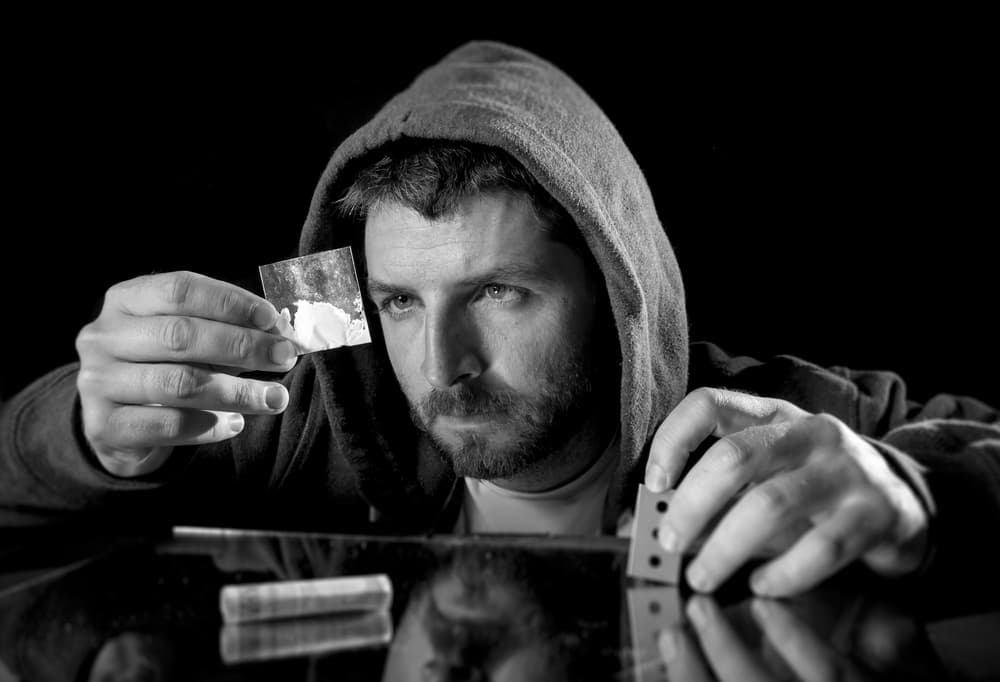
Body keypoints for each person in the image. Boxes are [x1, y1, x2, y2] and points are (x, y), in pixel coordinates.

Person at [1, 41, 997, 602]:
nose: (442, 366)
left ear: (616, 291)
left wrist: (922, 492)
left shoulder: (776, 418)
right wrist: (85, 435)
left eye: (495, 293)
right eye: (398, 302)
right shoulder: (300, 417)